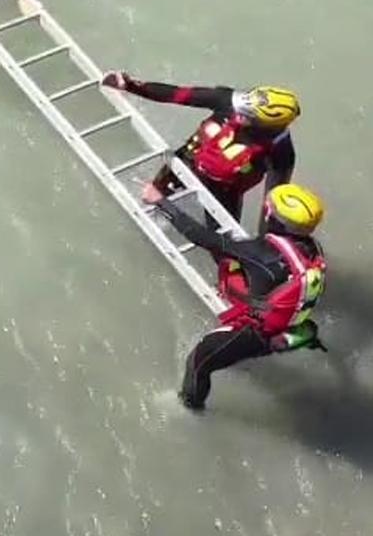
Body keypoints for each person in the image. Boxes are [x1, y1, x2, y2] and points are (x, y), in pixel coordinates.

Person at [154, 183, 327, 410]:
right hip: (292, 321)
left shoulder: (259, 252)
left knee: (198, 360)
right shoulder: (313, 249)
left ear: (273, 218)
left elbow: (202, 238)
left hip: (256, 334)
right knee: (241, 272)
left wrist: (160, 201)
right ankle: (284, 340)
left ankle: (190, 407)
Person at [101, 72, 298, 225]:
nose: (238, 113)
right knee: (149, 197)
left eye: (246, 114)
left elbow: (273, 202)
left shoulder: (281, 151)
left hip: (224, 193)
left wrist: (265, 241)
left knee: (223, 246)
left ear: (265, 125)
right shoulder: (228, 100)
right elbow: (177, 95)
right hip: (187, 162)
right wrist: (130, 85)